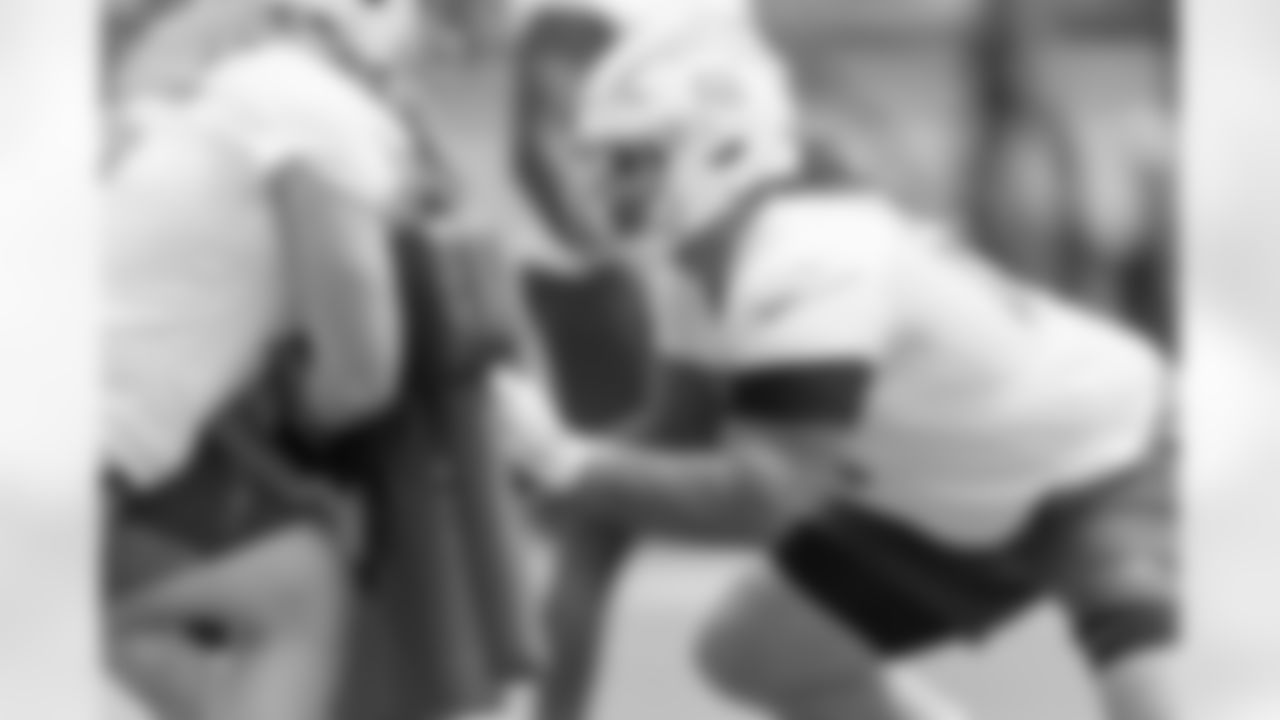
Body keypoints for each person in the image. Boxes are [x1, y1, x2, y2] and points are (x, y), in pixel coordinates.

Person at [493, 4, 1177, 720]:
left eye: (635, 161)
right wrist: (562, 471)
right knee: (754, 652)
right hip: (952, 503)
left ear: (720, 147)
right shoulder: (704, 271)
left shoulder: (805, 261)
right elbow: (646, 463)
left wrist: (563, 461)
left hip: (1109, 465)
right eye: (610, 163)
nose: (610, 188)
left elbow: (766, 493)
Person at [103, 0, 427, 717]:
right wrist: (299, 409)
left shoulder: (215, 101)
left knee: (285, 570)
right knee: (302, 592)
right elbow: (360, 375)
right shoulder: (312, 106)